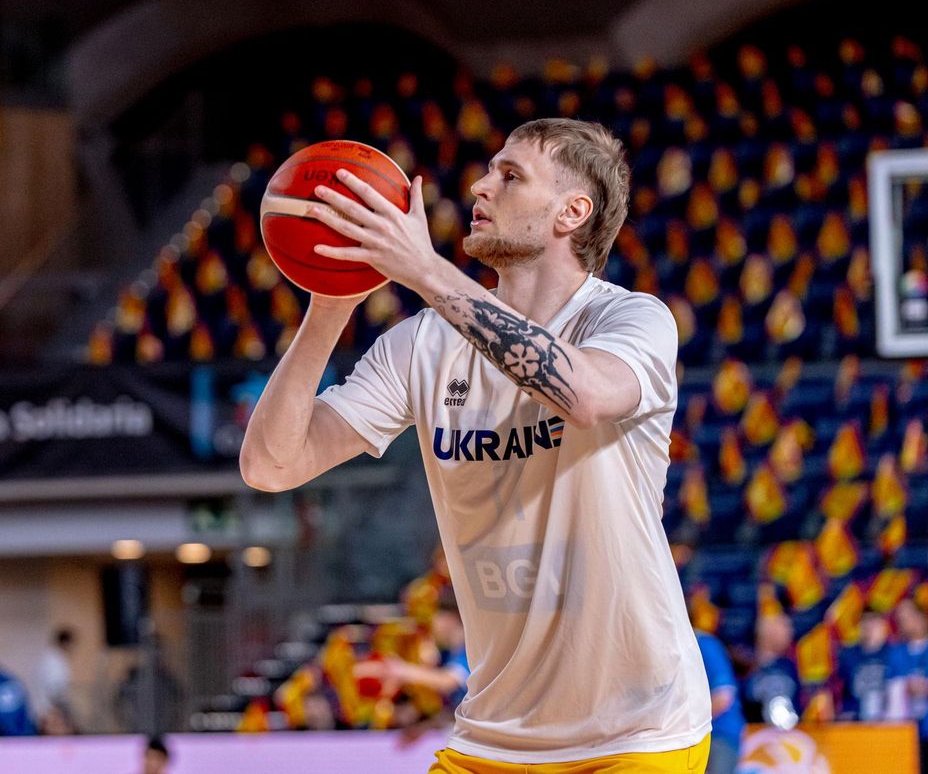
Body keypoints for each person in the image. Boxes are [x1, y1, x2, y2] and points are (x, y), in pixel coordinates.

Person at [240, 119, 710, 772]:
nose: (481, 185)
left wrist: (425, 269)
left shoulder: (629, 319)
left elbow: (586, 396)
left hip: (635, 732)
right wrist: (329, 305)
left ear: (573, 213)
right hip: (495, 736)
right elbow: (270, 463)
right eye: (489, 169)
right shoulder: (421, 345)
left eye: (510, 176)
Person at [359, 595, 470, 711]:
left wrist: (402, 670)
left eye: (435, 616)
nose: (431, 623)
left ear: (451, 618)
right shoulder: (448, 654)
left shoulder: (470, 651)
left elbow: (447, 682)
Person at [887, 600, 928, 772]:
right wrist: (904, 688)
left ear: (922, 618)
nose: (902, 622)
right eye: (899, 619)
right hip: (905, 732)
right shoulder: (895, 652)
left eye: (906, 617)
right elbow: (889, 687)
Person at [694, 630, 743, 774]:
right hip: (691, 735)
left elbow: (723, 697)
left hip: (719, 733)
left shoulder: (704, 643)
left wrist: (687, 722)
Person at [740, 613, 797, 726]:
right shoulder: (745, 665)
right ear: (769, 634)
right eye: (784, 628)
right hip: (754, 731)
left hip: (789, 732)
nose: (791, 632)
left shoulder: (789, 666)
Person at [839, 611, 893, 721]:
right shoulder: (848, 655)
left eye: (874, 622)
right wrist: (846, 710)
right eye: (865, 622)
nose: (869, 626)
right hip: (856, 717)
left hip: (887, 717)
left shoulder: (893, 653)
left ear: (883, 626)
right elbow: (842, 690)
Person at [35, 628, 76, 734]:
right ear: (66, 642)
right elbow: (54, 689)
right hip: (52, 711)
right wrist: (64, 710)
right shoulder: (54, 661)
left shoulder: (50, 658)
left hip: (50, 709)